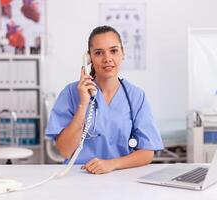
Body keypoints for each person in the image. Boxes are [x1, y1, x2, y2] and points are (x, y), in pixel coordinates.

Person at [46, 25, 163, 174]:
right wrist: (83, 104)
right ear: (89, 59)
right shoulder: (70, 93)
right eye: (99, 53)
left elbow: (147, 152)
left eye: (114, 51)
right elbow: (65, 151)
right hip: (77, 176)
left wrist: (112, 164)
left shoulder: (136, 96)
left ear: (123, 54)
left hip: (120, 176)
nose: (107, 58)